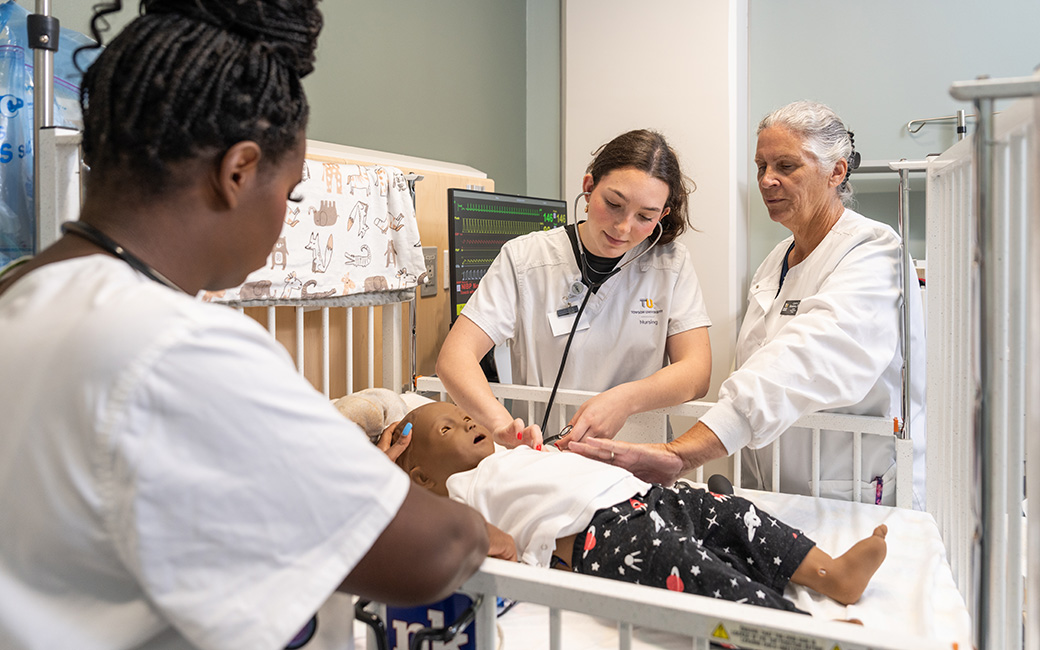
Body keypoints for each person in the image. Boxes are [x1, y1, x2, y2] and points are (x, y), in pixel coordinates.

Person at [0, 3, 494, 649]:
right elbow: (431, 552)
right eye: (290, 195)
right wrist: (479, 527)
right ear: (237, 172)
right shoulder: (177, 343)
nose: (286, 219)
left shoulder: (21, 294)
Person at [569, 101, 926, 509]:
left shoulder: (874, 252)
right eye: (761, 167)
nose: (767, 181)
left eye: (786, 167)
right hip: (777, 488)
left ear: (837, 171)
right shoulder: (776, 261)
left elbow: (805, 359)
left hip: (853, 493)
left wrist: (682, 452)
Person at [391, 401, 890, 614]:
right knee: (696, 570)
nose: (465, 421)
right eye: (447, 430)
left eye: (461, 415)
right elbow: (487, 543)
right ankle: (785, 627)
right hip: (600, 537)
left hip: (646, 497)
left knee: (737, 515)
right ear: (421, 477)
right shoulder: (457, 494)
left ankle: (832, 573)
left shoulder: (511, 453)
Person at [436, 129, 712, 448]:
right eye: (614, 204)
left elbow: (696, 371)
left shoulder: (670, 265)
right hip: (548, 455)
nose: (623, 228)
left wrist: (623, 400)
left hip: (636, 458)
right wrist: (500, 425)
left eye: (645, 217)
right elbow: (455, 356)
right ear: (589, 187)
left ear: (662, 215)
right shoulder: (526, 258)